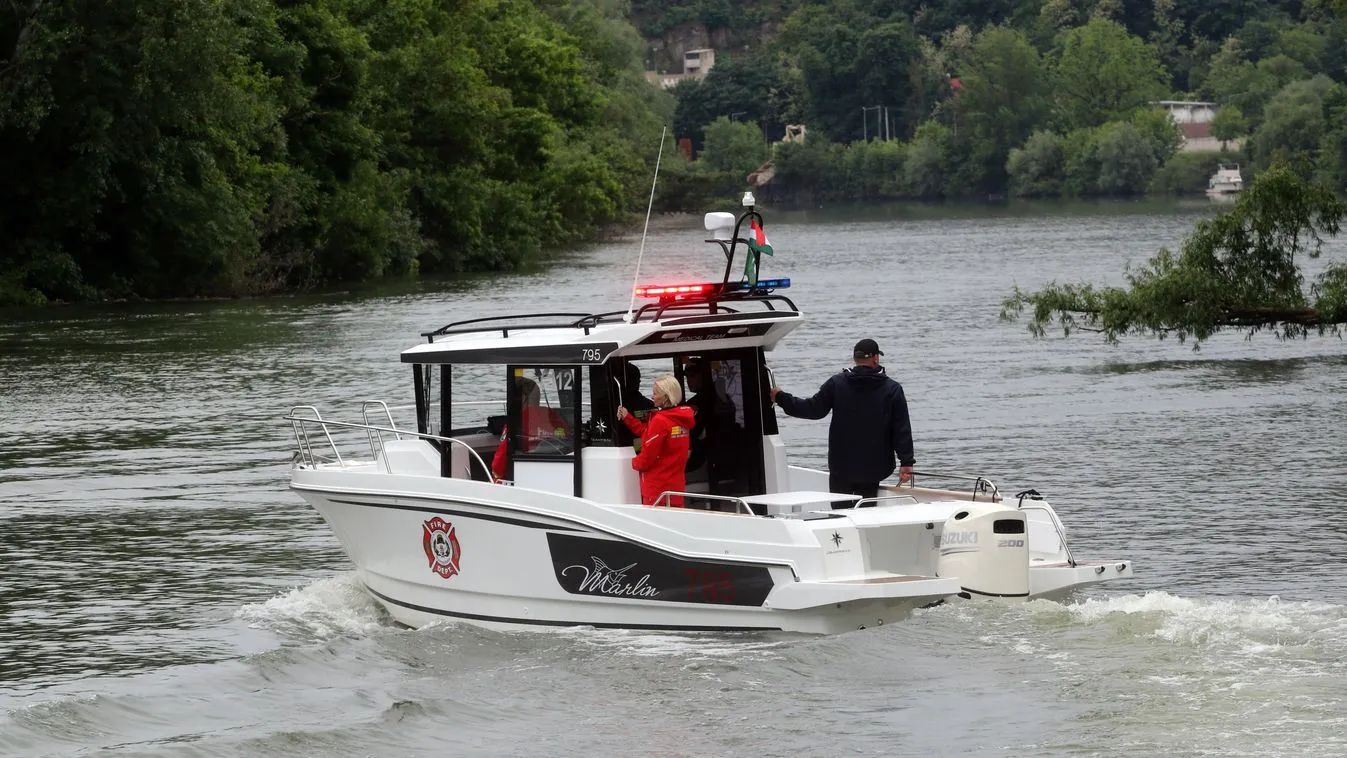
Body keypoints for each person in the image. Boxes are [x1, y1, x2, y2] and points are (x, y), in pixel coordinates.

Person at [769, 338, 914, 508]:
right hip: (874, 468)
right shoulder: (892, 389)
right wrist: (906, 462)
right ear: (876, 358)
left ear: (855, 359)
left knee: (840, 514)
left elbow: (813, 409)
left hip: (841, 467)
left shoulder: (837, 383)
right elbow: (901, 429)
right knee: (867, 514)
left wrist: (781, 397)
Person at [617, 375, 694, 506]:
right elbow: (648, 433)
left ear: (666, 396)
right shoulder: (681, 419)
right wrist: (628, 418)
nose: (652, 396)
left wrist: (628, 463)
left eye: (655, 393)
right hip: (676, 487)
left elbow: (646, 458)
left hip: (657, 489)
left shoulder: (660, 421)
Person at [491, 376, 569, 481]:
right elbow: (567, 438)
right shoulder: (552, 416)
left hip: (524, 479)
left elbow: (498, 467)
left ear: (519, 399)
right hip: (558, 474)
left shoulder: (514, 423)